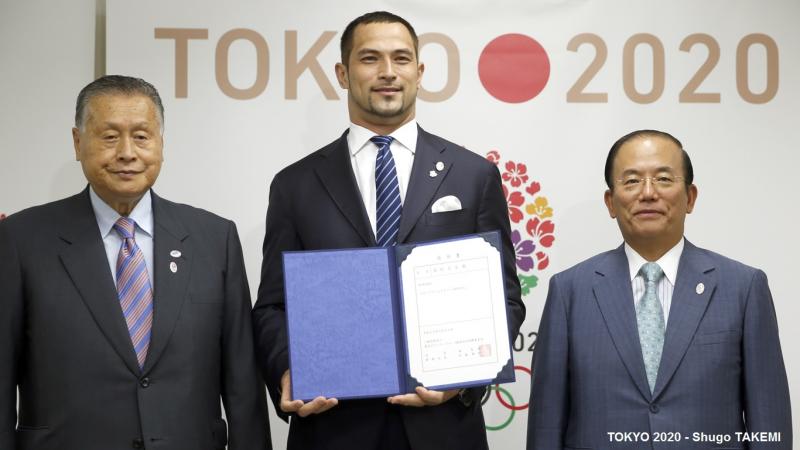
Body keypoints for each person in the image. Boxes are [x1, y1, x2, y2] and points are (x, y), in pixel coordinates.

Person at [252, 11, 524, 450]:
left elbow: (505, 298)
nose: (387, 72)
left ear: (419, 72)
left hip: (443, 428)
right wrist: (287, 370)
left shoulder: (473, 175)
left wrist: (462, 381)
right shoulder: (295, 184)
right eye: (369, 59)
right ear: (342, 73)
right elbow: (272, 306)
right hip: (333, 425)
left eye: (401, 58)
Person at [0, 75, 270, 450]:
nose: (127, 152)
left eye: (142, 136)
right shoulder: (21, 239)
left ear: (161, 143)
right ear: (78, 143)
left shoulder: (214, 237)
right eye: (109, 137)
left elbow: (243, 386)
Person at [527, 129, 792, 449]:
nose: (648, 193)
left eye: (664, 179)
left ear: (690, 197)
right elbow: (546, 428)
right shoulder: (570, 291)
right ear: (611, 202)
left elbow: (768, 424)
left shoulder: (743, 288)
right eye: (632, 180)